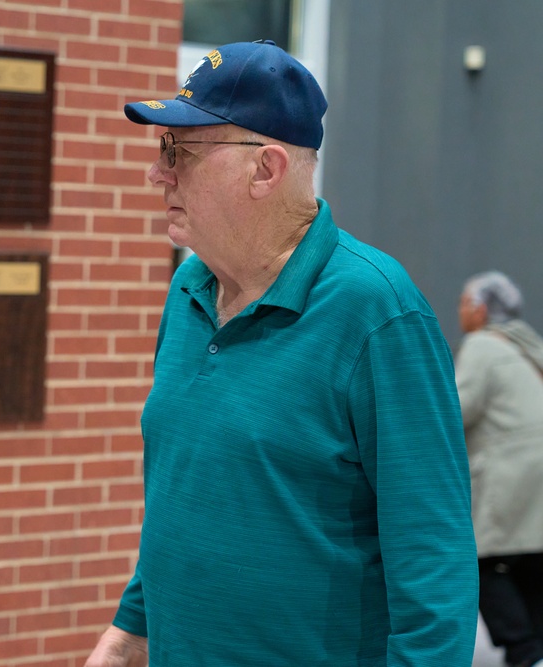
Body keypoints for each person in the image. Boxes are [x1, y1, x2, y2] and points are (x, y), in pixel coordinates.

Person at [84, 40, 478, 666]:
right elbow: (184, 493)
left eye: (178, 151)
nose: (157, 173)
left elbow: (433, 559)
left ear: (264, 169)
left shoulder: (377, 310)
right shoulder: (189, 289)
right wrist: (132, 627)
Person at [455, 271, 543, 667]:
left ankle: (523, 651)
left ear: (481, 309)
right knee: (531, 561)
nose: (460, 312)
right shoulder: (530, 347)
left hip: (509, 477)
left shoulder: (482, 346)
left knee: (483, 561)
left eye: (463, 303)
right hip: (536, 481)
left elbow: (456, 410)